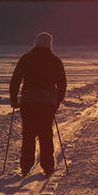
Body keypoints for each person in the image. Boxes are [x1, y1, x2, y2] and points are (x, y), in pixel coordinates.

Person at [9, 32, 67, 177]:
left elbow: (15, 79)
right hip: (47, 102)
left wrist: (14, 98)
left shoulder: (26, 59)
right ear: (50, 44)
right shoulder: (55, 61)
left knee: (28, 134)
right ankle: (48, 167)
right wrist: (57, 100)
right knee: (45, 134)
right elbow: (62, 83)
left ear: (36, 43)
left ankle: (25, 167)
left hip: (28, 101)